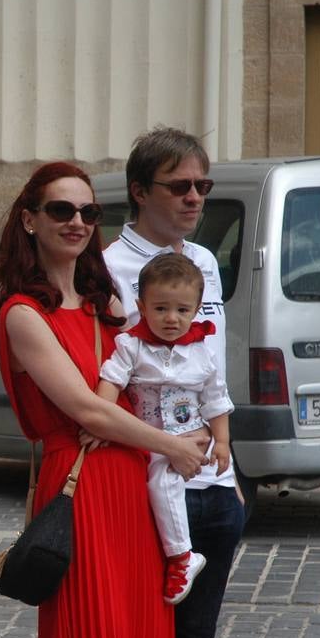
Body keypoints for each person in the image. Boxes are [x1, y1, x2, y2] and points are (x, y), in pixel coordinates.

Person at [0, 161, 208, 638]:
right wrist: (170, 447)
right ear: (29, 220)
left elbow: (162, 378)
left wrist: (196, 428)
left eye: (86, 211)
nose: (77, 222)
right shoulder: (22, 314)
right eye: (59, 210)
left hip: (131, 494)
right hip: (78, 491)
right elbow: (84, 408)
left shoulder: (107, 306)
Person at [103, 126, 264, 638]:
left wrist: (226, 466)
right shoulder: (106, 267)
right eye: (180, 186)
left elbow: (211, 373)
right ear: (141, 192)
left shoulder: (201, 260)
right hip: (144, 486)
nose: (195, 196)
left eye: (202, 184)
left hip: (213, 484)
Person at [96, 252, 233, 606]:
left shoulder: (203, 352)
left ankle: (181, 557)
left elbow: (216, 399)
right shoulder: (132, 346)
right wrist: (100, 418)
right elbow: (110, 380)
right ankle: (176, 556)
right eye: (160, 309)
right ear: (141, 306)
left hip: (182, 442)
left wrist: (222, 442)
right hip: (140, 436)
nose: (171, 319)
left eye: (182, 310)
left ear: (197, 308)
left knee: (164, 482)